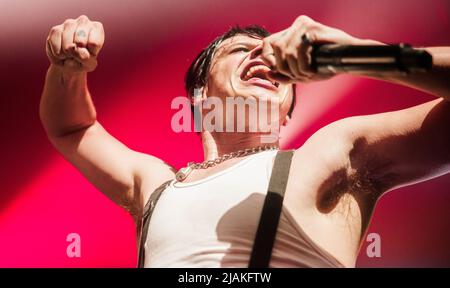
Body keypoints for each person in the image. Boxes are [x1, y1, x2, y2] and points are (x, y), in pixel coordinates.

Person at [40, 14, 450, 267]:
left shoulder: (326, 155)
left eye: (275, 61)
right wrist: (67, 68)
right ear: (200, 95)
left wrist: (355, 55)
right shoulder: (156, 184)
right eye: (241, 50)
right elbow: (71, 128)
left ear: (287, 109)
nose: (262, 57)